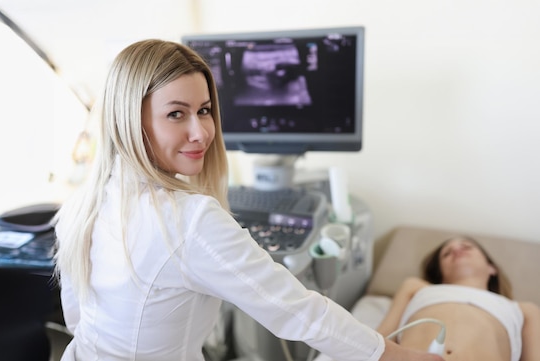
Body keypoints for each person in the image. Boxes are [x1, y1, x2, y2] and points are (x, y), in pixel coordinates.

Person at [54, 38, 443, 361]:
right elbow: (297, 310)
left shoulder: (80, 205)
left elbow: (78, 320)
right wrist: (399, 355)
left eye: (204, 111)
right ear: (129, 120)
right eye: (176, 114)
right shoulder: (188, 220)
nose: (201, 132)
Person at [376, 236, 540, 361]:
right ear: (440, 274)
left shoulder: (523, 309)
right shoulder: (417, 288)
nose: (456, 249)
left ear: (492, 268)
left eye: (467, 247)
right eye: (446, 253)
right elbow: (377, 340)